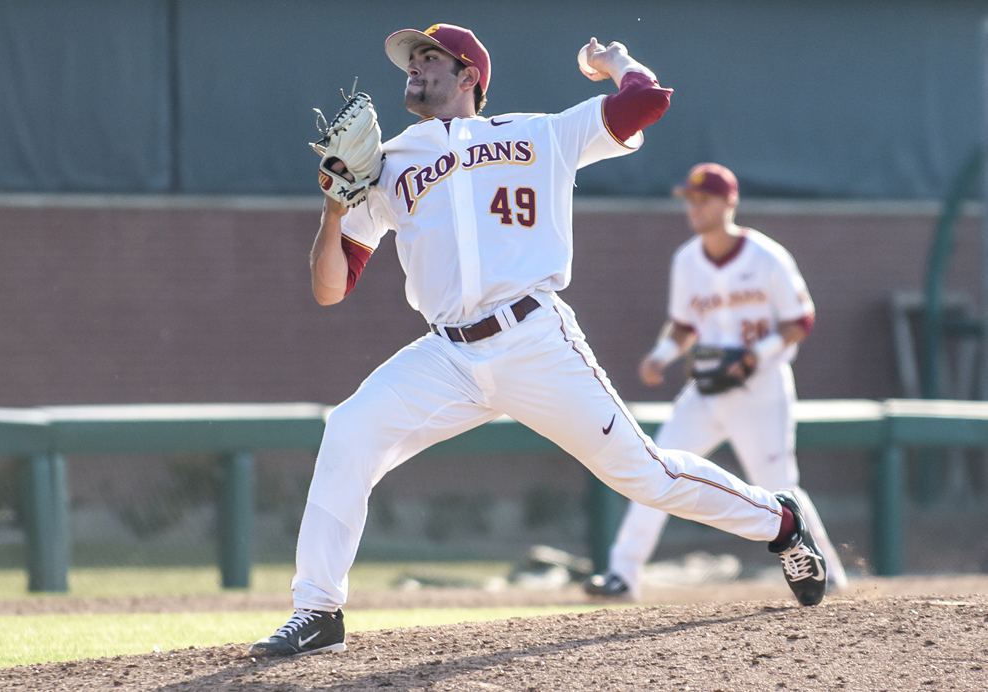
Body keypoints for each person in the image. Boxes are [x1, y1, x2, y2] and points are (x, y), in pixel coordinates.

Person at [250, 25, 827, 659]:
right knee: (349, 431)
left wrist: (616, 61)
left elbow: (645, 104)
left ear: (469, 75)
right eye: (409, 60)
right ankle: (318, 611)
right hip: (448, 355)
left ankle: (782, 522)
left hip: (534, 340)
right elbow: (331, 289)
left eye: (428, 58)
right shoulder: (388, 164)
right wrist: (333, 209)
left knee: (646, 476)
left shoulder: (538, 133)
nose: (413, 67)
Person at [584, 163, 848, 601]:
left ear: (730, 202)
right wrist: (663, 355)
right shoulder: (687, 259)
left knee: (781, 482)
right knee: (656, 467)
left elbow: (800, 320)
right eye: (690, 199)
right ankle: (622, 574)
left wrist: (754, 355)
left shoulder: (766, 256)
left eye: (703, 199)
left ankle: (830, 572)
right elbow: (684, 325)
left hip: (760, 389)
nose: (694, 207)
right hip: (705, 391)